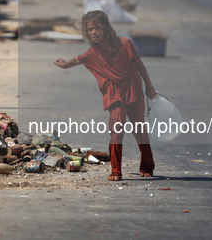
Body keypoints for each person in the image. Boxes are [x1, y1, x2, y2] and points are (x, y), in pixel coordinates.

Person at [53, 10, 156, 181]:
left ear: (106, 28)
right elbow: (78, 59)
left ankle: (147, 165)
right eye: (90, 30)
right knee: (116, 129)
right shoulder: (93, 52)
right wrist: (64, 65)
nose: (94, 33)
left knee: (139, 129)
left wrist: (150, 88)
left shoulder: (125, 43)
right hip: (114, 92)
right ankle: (116, 171)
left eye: (97, 28)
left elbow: (140, 65)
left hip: (133, 87)